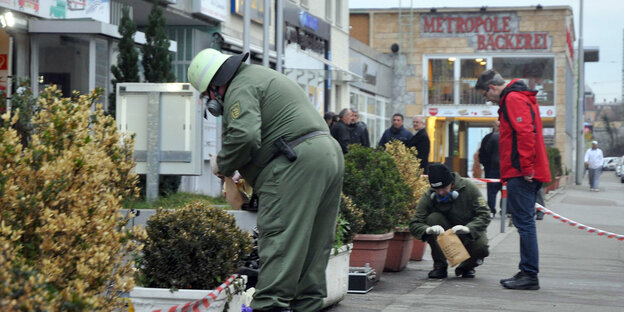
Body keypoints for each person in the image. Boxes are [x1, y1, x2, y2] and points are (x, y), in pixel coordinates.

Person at [188, 49, 344, 312]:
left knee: (281, 238)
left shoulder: (239, 86)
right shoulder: (261, 76)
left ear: (215, 88)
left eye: (207, 97)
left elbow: (245, 136)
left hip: (294, 162)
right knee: (315, 242)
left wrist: (223, 164)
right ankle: (307, 304)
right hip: (327, 154)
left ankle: (269, 306)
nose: (211, 104)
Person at [476, 69, 551, 290]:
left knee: (524, 223)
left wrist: (526, 168)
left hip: (522, 172)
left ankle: (529, 274)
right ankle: (527, 271)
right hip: (523, 170)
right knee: (524, 222)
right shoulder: (517, 97)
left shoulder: (512, 98)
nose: (486, 99)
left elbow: (525, 133)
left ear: (491, 88)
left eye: (484, 94)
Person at [409, 164, 491, 279]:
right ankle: (439, 266)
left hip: (469, 232)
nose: (441, 192)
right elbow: (415, 222)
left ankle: (466, 267)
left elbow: (485, 214)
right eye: (437, 189)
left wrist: (469, 228)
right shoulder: (429, 195)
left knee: (482, 248)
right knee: (433, 218)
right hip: (445, 233)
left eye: (444, 188)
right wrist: (427, 230)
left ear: (451, 183)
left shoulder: (469, 188)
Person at [478, 120, 502, 218]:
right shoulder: (490, 137)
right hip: (497, 169)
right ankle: (501, 210)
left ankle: (493, 210)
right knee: (502, 190)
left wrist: (486, 164)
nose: (497, 126)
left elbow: (484, 152)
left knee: (493, 191)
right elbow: (483, 153)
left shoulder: (490, 137)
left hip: (493, 168)